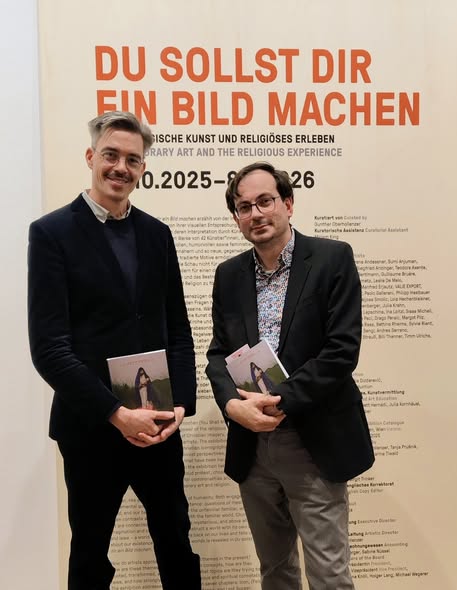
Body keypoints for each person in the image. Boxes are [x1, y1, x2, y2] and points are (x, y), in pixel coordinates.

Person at [28, 111, 201, 590]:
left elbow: (178, 330)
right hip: (91, 427)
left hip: (159, 422)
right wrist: (115, 414)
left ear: (143, 168)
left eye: (132, 159)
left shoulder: (157, 234)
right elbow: (49, 348)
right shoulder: (51, 233)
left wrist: (180, 404)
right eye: (111, 155)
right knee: (89, 555)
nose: (120, 167)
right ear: (91, 157)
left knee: (176, 543)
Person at [206, 162, 374, 590]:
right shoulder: (229, 275)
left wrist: (279, 400)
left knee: (328, 574)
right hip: (252, 445)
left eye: (265, 201)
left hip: (313, 439)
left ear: (288, 203)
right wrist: (232, 405)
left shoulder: (332, 259)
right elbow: (218, 354)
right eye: (244, 207)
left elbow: (341, 351)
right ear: (236, 218)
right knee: (275, 570)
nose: (256, 213)